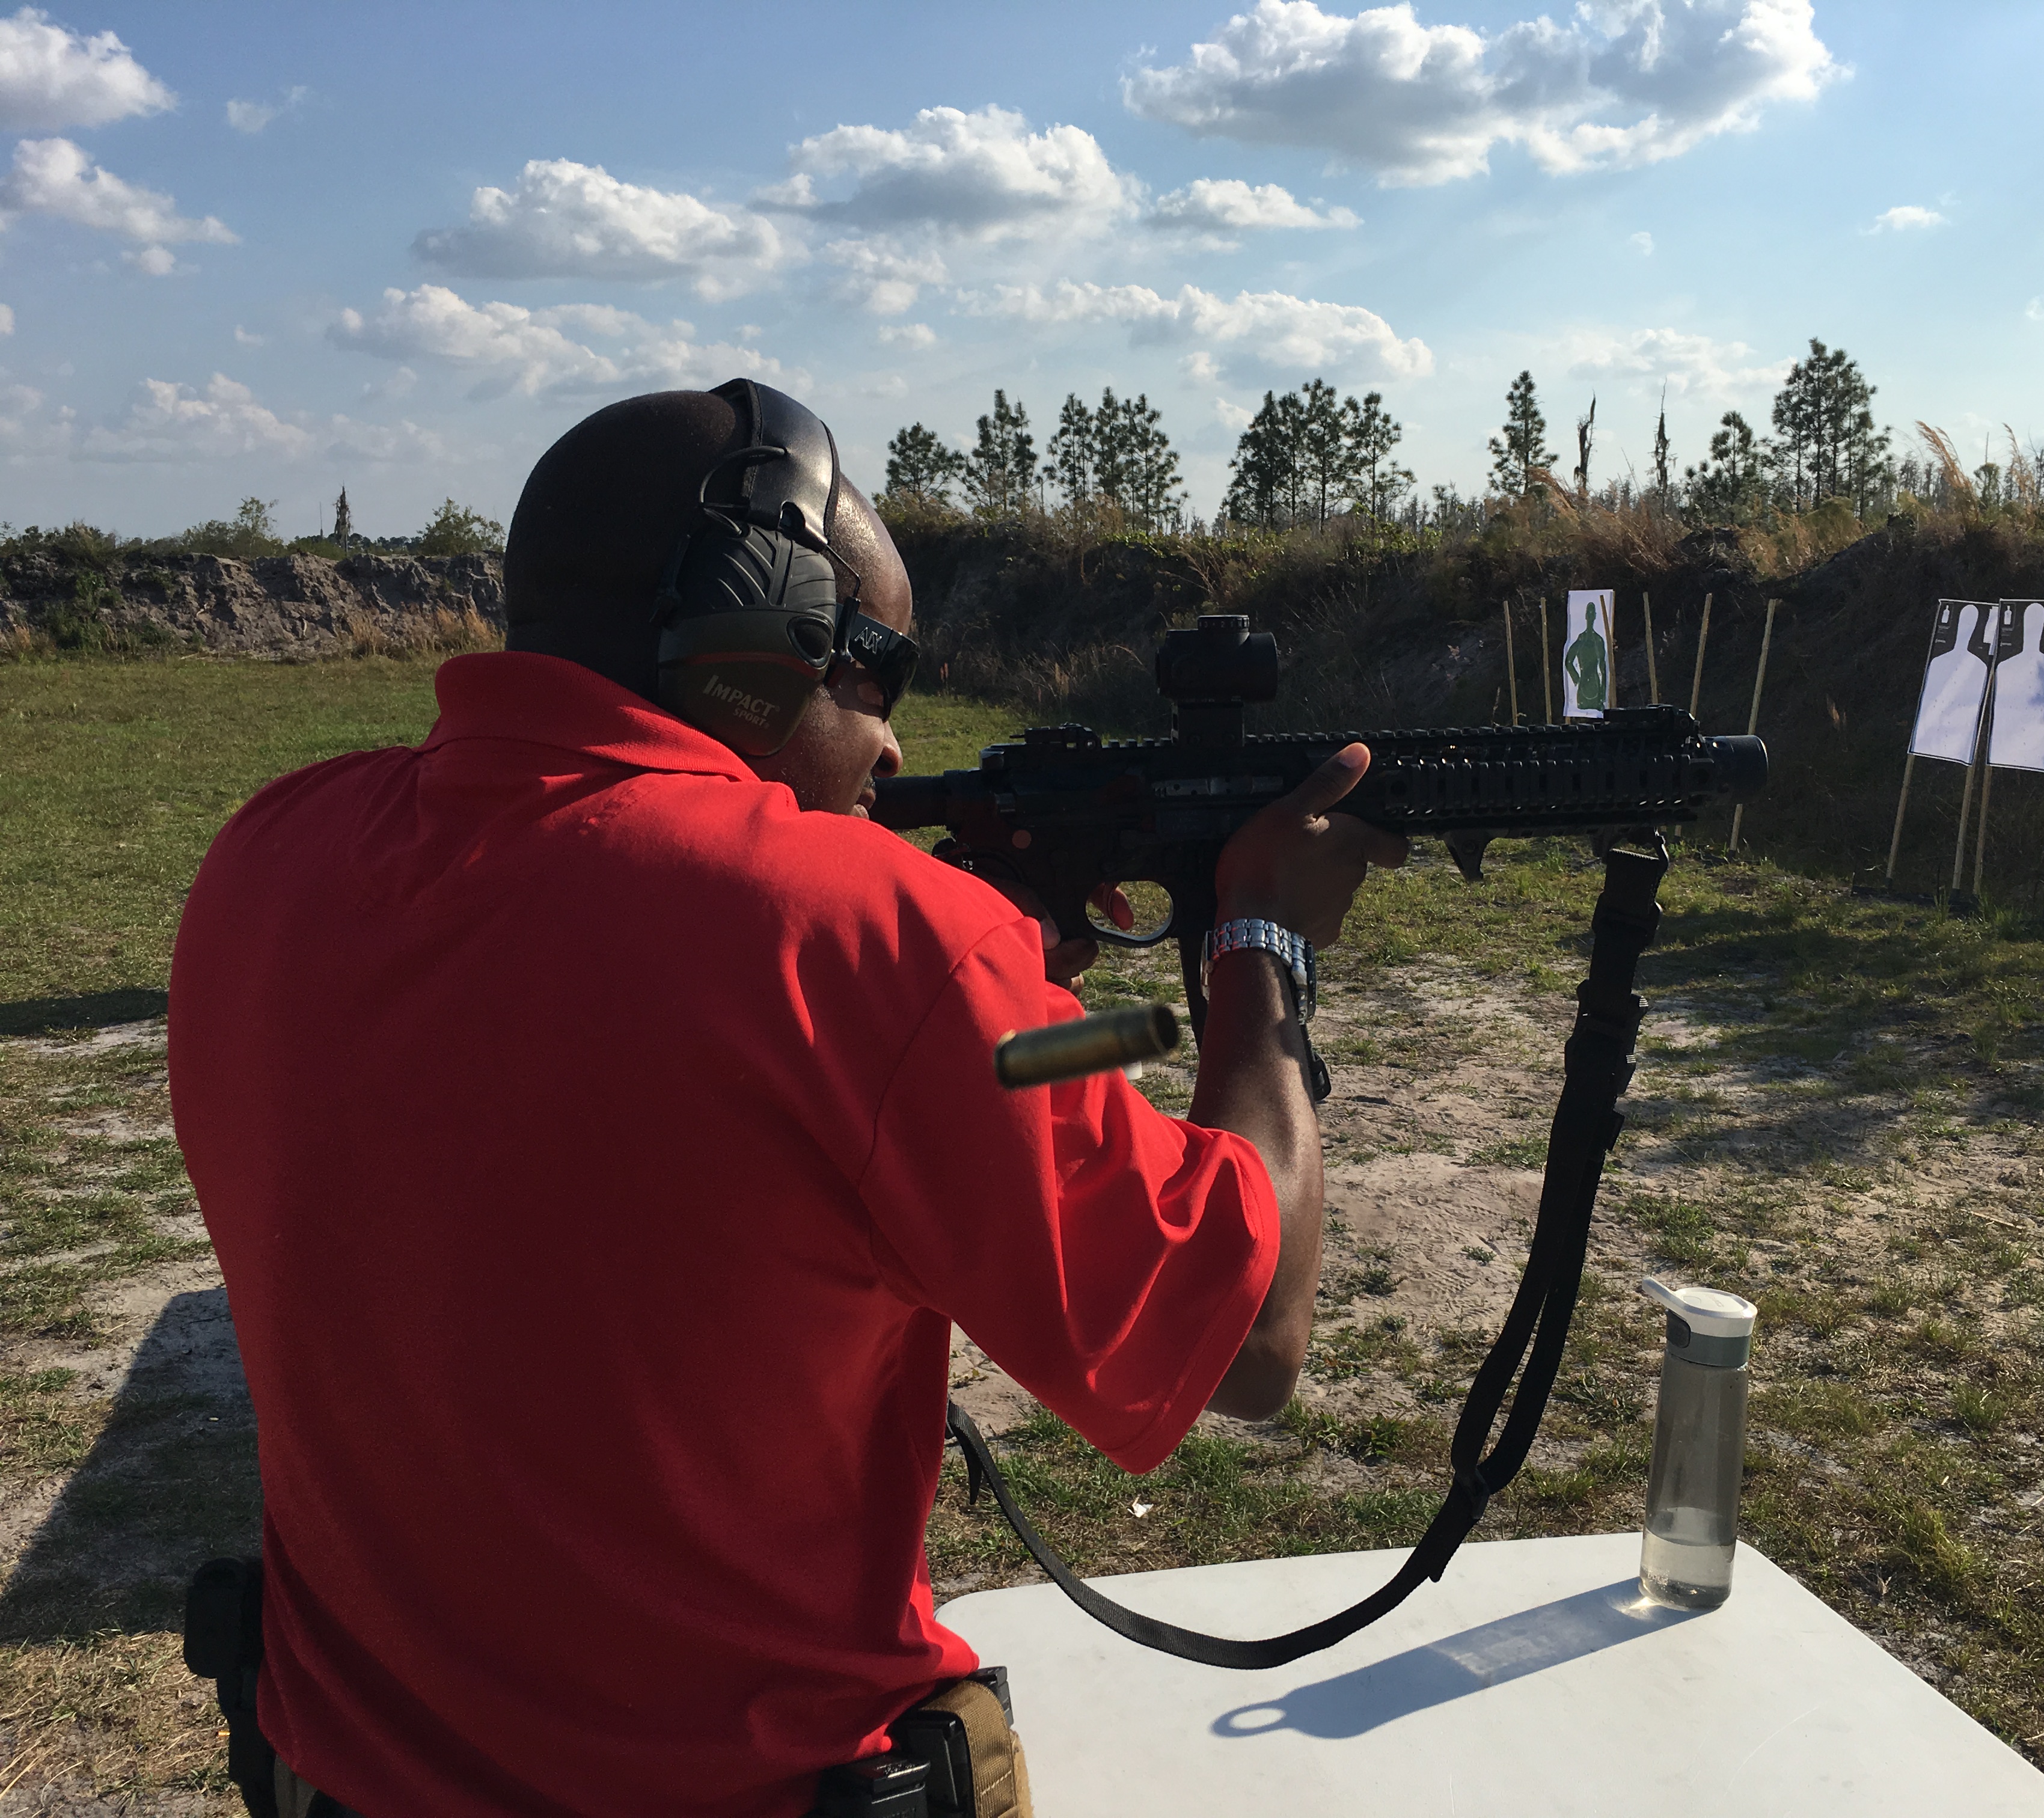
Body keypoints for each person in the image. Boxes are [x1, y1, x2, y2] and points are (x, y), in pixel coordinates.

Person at [169, 379, 1405, 1817]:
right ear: (752, 634)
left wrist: (991, 997)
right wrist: (1261, 941)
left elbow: (633, 1073)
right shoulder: (872, 944)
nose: (890, 743)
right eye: (870, 669)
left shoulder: (269, 854)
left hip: (350, 1781)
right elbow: (1251, 1344)